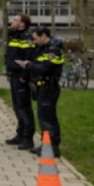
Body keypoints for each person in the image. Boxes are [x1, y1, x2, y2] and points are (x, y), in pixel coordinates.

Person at [16, 27, 64, 157]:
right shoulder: (42, 49)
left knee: (48, 119)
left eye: (36, 38)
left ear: (43, 36)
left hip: (49, 87)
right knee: (43, 118)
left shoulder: (53, 50)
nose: (34, 41)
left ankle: (52, 147)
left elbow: (45, 68)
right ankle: (46, 144)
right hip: (42, 88)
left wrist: (27, 65)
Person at [4, 13, 36, 150]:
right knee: (17, 107)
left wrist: (25, 75)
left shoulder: (26, 38)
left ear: (22, 24)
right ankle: (20, 134)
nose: (12, 21)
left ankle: (28, 138)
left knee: (24, 108)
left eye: (16, 20)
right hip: (13, 75)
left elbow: (28, 60)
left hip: (20, 77)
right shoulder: (14, 36)